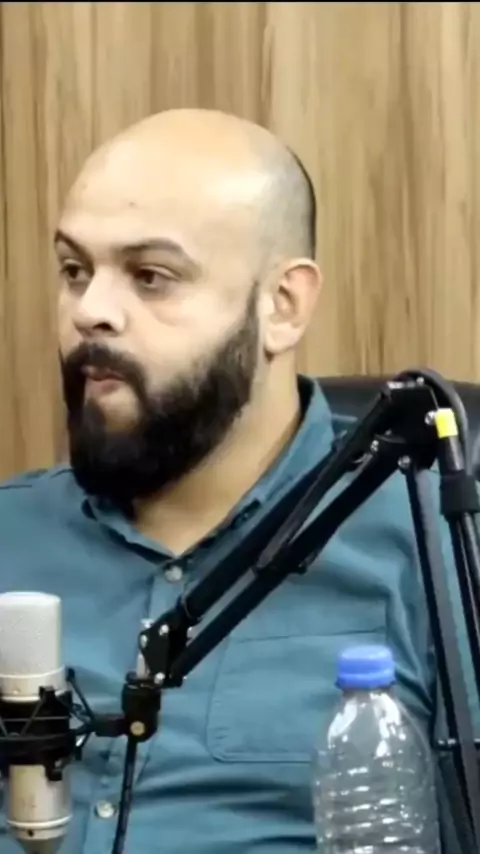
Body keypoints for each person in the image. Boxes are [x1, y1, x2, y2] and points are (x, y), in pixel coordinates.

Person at [0, 108, 472, 854]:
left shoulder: (431, 551)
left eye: (151, 277)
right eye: (74, 270)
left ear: (283, 306)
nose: (90, 312)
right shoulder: (11, 537)